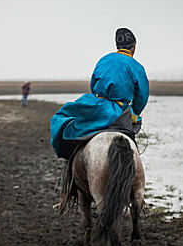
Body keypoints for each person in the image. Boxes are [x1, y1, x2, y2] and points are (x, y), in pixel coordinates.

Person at [50, 28, 149, 159]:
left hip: (97, 105)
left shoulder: (104, 60)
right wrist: (134, 112)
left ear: (117, 46)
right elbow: (142, 97)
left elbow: (93, 85)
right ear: (134, 47)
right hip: (120, 111)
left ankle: (68, 161)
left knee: (61, 117)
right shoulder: (137, 66)